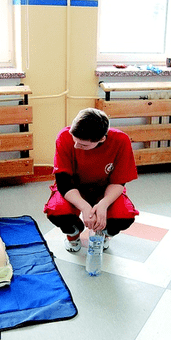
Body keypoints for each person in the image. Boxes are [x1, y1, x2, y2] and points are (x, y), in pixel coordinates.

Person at [44, 108, 139, 252]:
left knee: (123, 216)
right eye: (74, 140)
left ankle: (104, 234)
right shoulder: (64, 136)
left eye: (83, 145)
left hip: (104, 188)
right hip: (73, 188)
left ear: (102, 139)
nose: (76, 146)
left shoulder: (121, 141)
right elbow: (63, 181)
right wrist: (84, 207)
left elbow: (118, 181)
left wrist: (104, 205)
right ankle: (73, 236)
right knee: (58, 212)